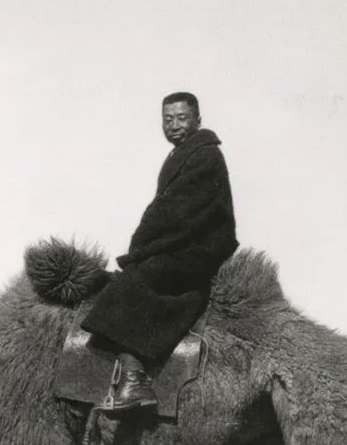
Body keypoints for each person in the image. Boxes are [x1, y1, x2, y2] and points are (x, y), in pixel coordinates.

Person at [81, 91, 238, 412]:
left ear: (197, 120)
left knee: (135, 281)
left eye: (182, 118)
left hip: (199, 249)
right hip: (188, 244)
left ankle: (135, 381)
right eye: (168, 119)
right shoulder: (187, 154)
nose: (174, 125)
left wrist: (139, 247)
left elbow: (174, 212)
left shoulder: (205, 156)